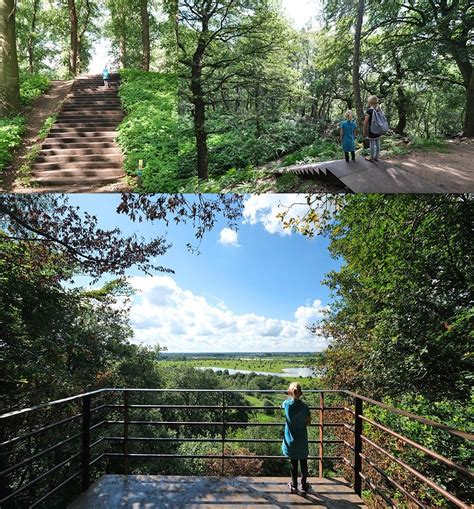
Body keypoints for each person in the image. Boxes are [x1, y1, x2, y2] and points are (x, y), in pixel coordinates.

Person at [281, 382, 311, 493]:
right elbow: (308, 423)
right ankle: (304, 485)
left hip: (291, 440)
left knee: (293, 463)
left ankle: (294, 485)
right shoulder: (305, 407)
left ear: (289, 392)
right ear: (301, 393)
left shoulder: (287, 404)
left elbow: (283, 405)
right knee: (304, 462)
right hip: (302, 439)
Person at [364, 95, 382, 162]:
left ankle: (371, 158)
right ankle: (376, 157)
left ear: (370, 102)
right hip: (378, 129)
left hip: (372, 129)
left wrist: (364, 129)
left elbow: (365, 122)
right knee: (377, 142)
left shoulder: (369, 111)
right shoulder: (379, 109)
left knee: (372, 143)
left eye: (368, 101)